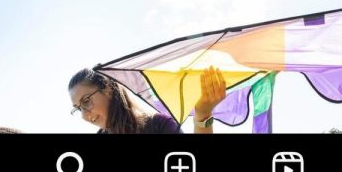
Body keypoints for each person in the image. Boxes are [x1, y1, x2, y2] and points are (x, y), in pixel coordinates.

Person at [69, 66, 227, 134]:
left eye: (86, 101)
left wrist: (203, 114)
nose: (84, 115)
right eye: (78, 108)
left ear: (108, 90)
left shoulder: (158, 125)